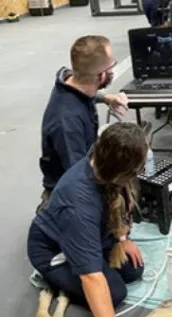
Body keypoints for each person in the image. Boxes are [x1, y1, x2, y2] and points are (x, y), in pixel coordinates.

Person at [28, 122, 147, 317]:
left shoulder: (102, 157)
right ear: (121, 172)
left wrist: (122, 239)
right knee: (114, 293)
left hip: (96, 233)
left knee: (134, 270)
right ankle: (55, 278)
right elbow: (92, 277)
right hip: (53, 250)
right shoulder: (78, 206)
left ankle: (89, 257)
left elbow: (117, 200)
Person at [37, 35, 129, 213]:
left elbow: (85, 91)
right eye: (111, 66)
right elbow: (78, 175)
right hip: (67, 186)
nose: (112, 70)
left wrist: (105, 97)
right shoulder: (67, 123)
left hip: (81, 159)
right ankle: (52, 212)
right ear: (101, 75)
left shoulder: (71, 81)